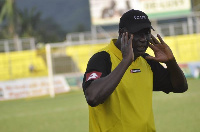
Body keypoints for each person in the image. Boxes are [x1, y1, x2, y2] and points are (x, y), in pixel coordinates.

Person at [82, 9, 188, 132]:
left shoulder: (146, 60)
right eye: (138, 33)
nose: (144, 39)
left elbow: (180, 87)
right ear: (122, 33)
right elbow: (93, 97)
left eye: (147, 32)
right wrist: (125, 62)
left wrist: (171, 63)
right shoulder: (103, 58)